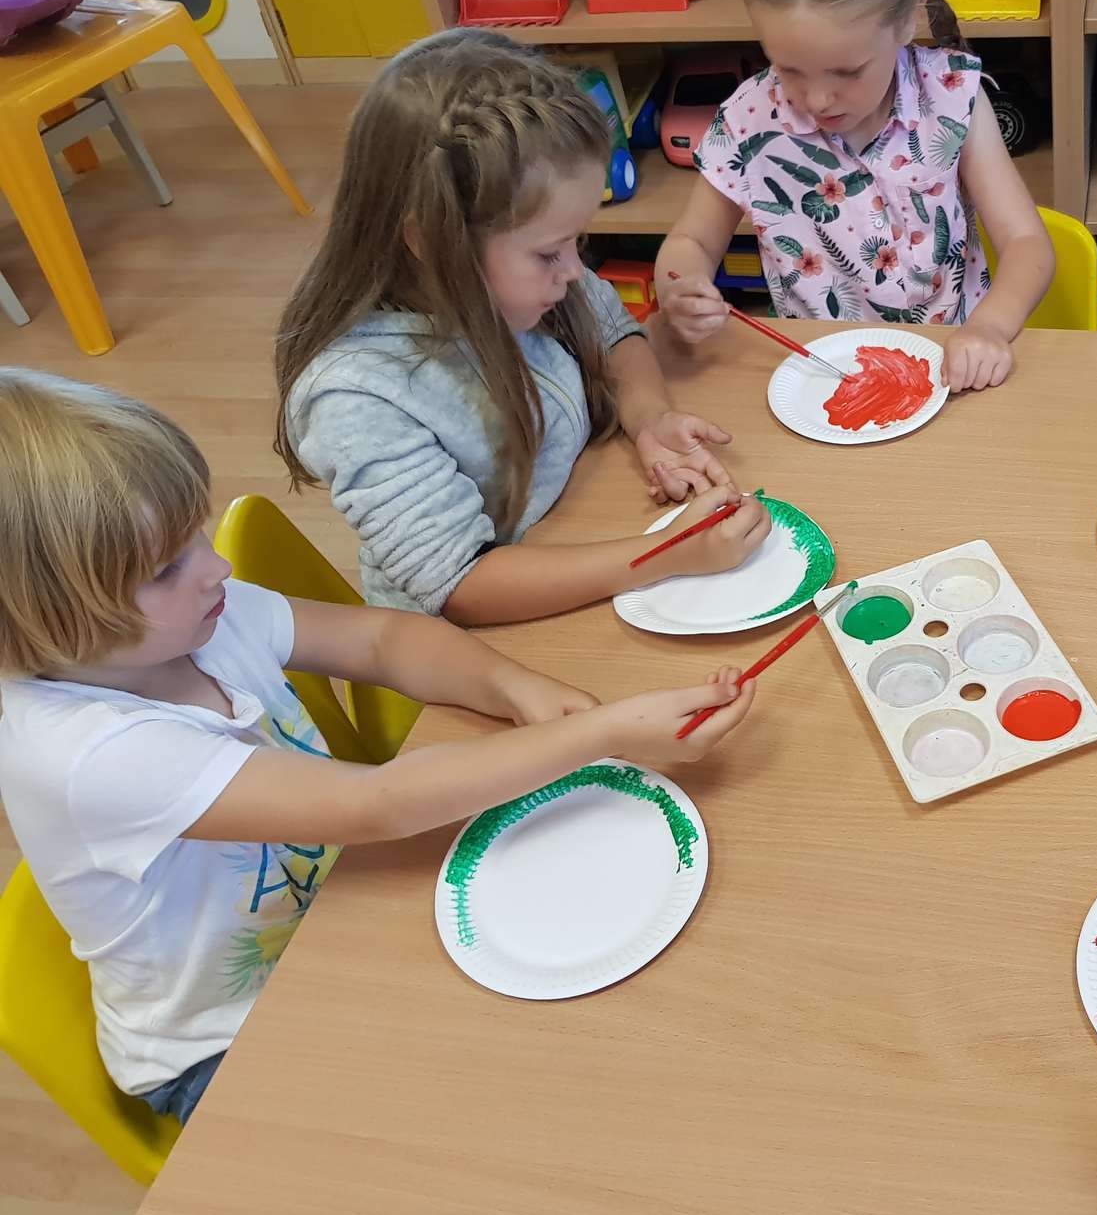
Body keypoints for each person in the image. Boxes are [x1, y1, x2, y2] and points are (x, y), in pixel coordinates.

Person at [0, 371, 755, 1125]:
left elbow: (382, 639)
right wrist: (599, 733)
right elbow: (378, 804)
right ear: (49, 614)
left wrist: (514, 687)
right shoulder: (84, 756)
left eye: (194, 534)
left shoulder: (189, 621)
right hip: (228, 1044)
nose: (215, 567)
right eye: (166, 567)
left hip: (345, 900)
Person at [275, 28, 769, 626]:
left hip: (575, 537)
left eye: (576, 241)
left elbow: (614, 333)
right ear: (431, 241)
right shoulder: (359, 396)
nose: (575, 270)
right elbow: (458, 584)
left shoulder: (527, 278)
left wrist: (649, 418)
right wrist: (665, 555)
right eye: (550, 251)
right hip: (473, 640)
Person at [655, 0, 1055, 393]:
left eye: (847, 72)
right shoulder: (748, 121)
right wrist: (679, 286)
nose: (817, 99)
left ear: (907, 19)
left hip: (951, 375)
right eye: (789, 69)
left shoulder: (952, 96)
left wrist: (990, 328)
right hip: (822, 382)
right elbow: (690, 242)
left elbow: (1027, 242)